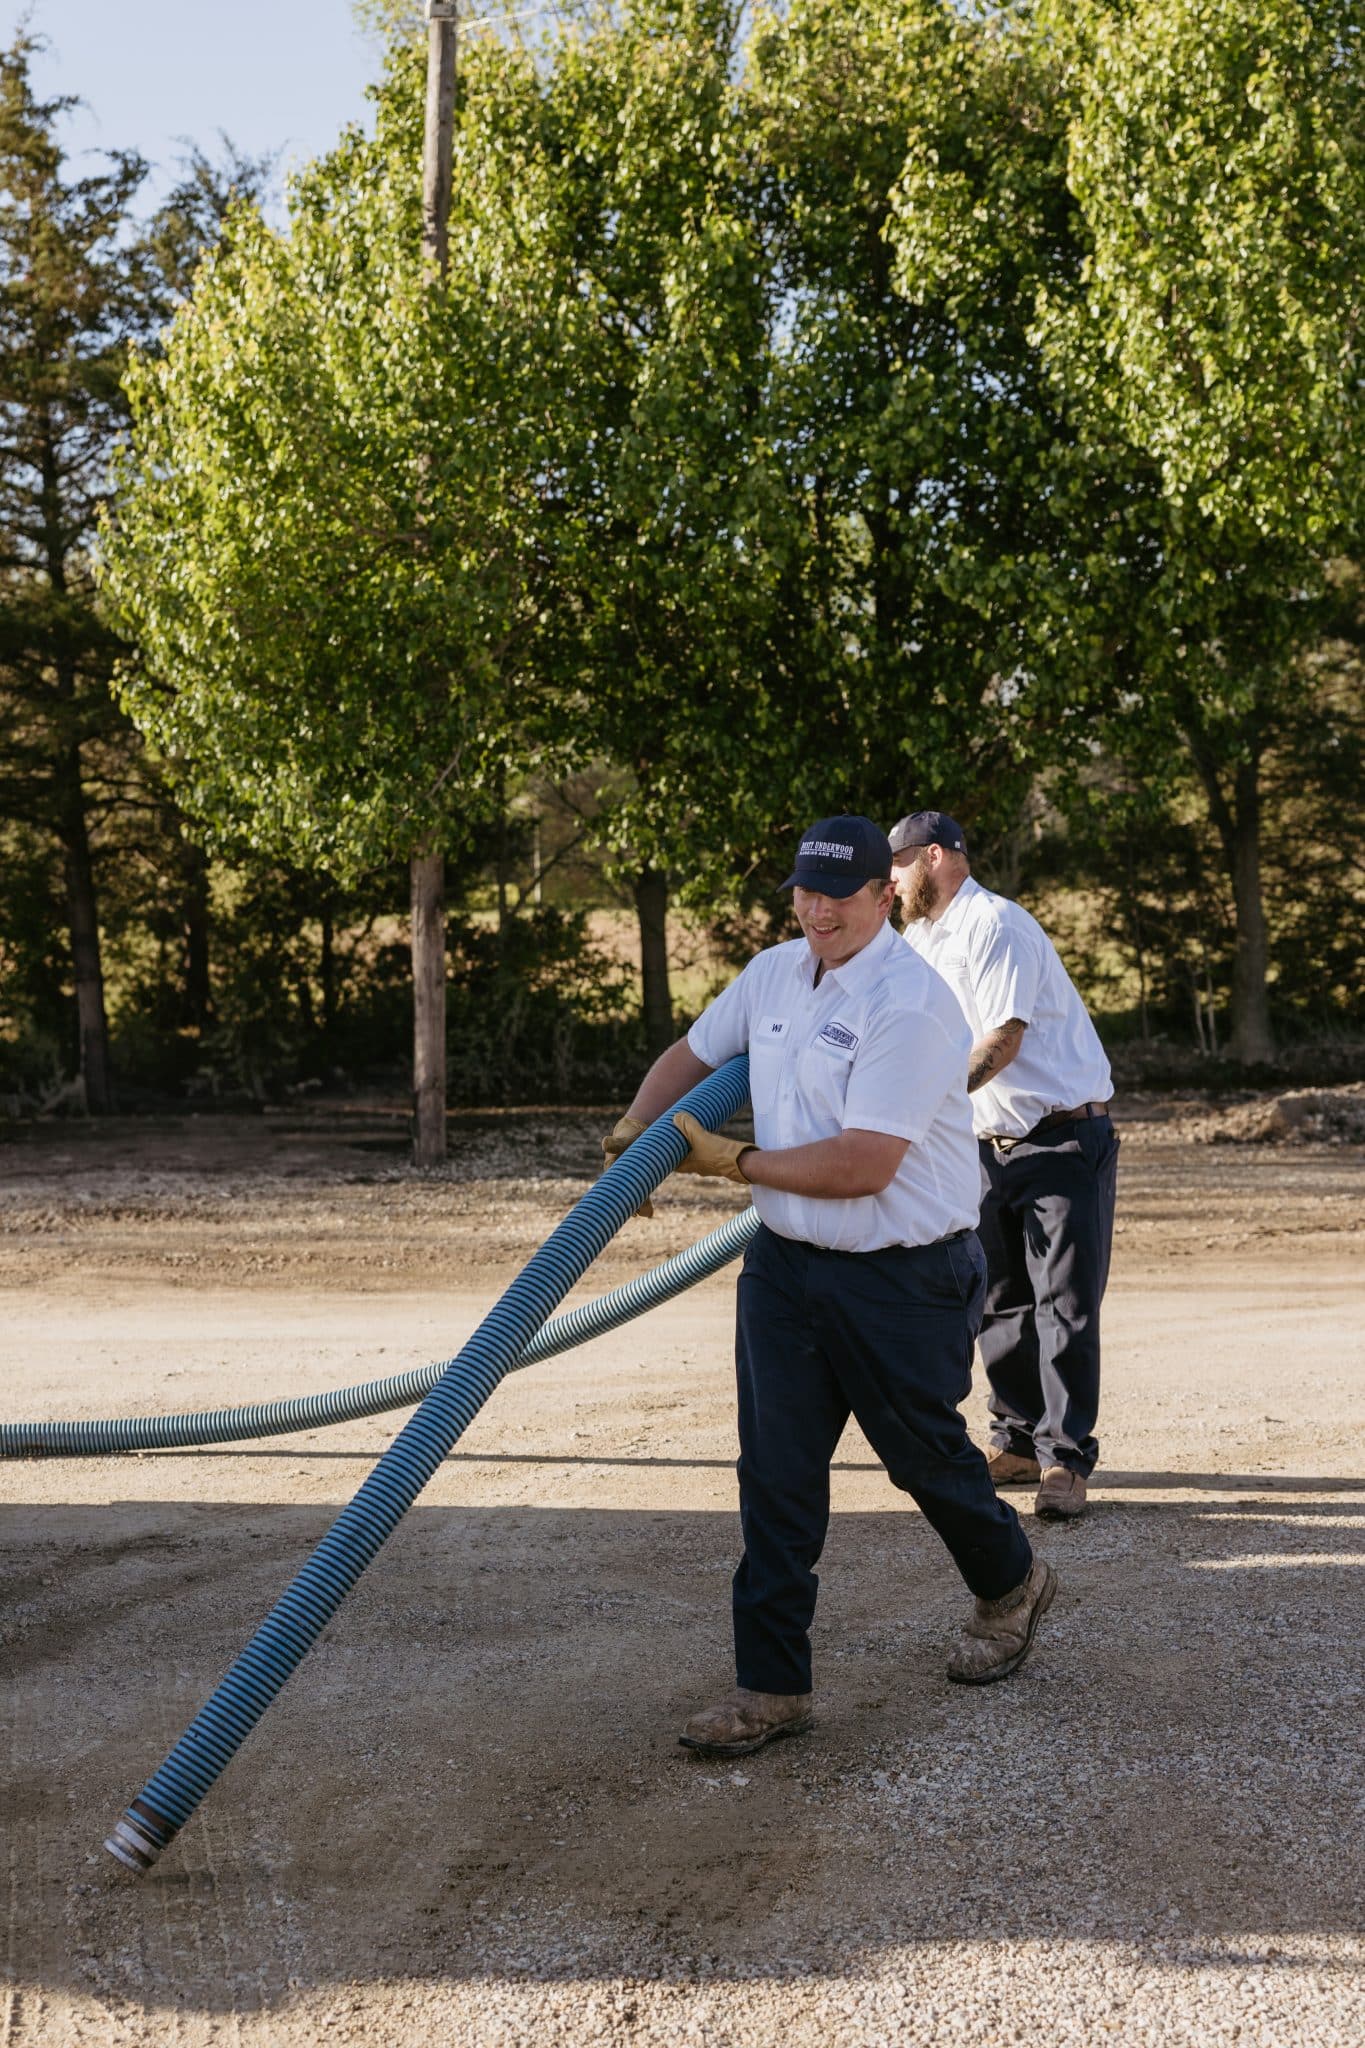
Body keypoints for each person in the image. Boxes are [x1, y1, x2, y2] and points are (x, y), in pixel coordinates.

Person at [602, 814, 1055, 1759]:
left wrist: (731, 1161)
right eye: (803, 893)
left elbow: (861, 1166)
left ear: (880, 896)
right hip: (784, 1270)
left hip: (904, 1274)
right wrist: (635, 1135)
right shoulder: (773, 971)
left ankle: (1011, 1581)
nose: (815, 911)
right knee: (774, 1476)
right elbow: (693, 1056)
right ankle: (770, 1689)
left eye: (836, 896)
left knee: (925, 1460)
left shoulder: (912, 1003)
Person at [889, 810, 1118, 1523]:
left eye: (895, 869)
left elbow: (1003, 1038)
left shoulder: (995, 924)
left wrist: (916, 1107)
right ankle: (1015, 1441)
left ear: (932, 857)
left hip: (1058, 1140)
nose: (889, 884)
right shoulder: (918, 937)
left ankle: (1064, 1460)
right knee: (998, 1300)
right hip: (981, 1141)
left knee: (1064, 1305)